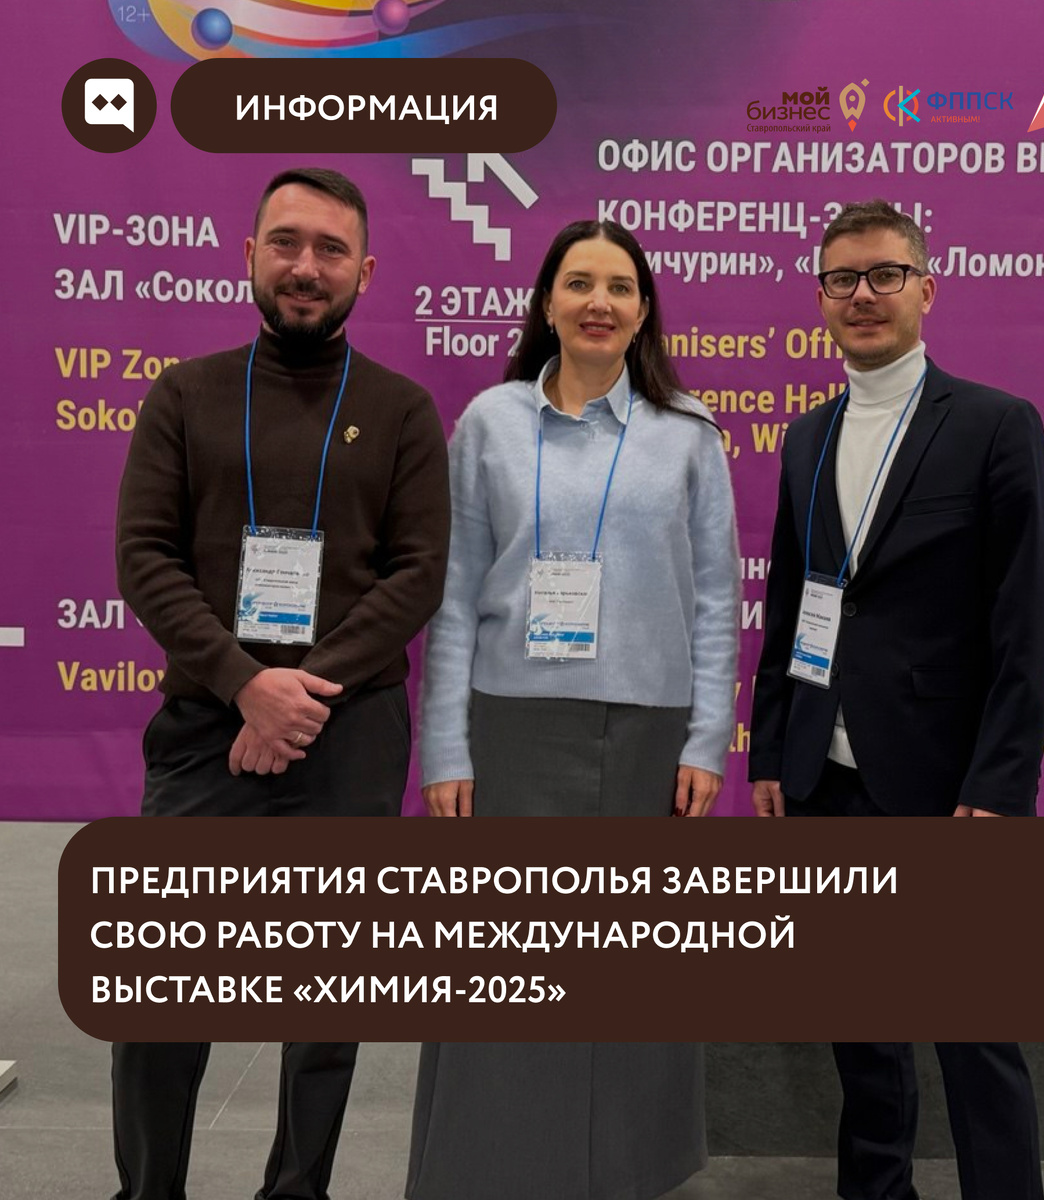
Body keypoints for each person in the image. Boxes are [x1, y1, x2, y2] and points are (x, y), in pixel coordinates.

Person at [112, 166, 450, 1200]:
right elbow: (145, 556)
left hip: (349, 735)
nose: (307, 266)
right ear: (250, 255)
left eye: (330, 249)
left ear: (365, 271)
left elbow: (416, 574)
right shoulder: (184, 394)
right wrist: (244, 685)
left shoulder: (401, 410)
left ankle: (297, 1190)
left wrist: (298, 692)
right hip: (205, 727)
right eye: (288, 243)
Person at [406, 219, 741, 1199]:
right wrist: (445, 748)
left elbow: (715, 598)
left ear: (643, 311)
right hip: (511, 729)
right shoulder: (488, 423)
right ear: (546, 302)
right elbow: (455, 593)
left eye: (620, 287)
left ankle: (626, 1172)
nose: (600, 302)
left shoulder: (688, 434)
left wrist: (706, 741)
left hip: (647, 735)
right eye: (579, 282)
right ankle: (493, 1171)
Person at [749, 199, 1044, 1200]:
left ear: (926, 289)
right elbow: (793, 601)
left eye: (884, 274)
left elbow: (1025, 625)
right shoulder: (807, 437)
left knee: (975, 1033)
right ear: (820, 299)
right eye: (842, 278)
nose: (863, 295)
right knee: (861, 1026)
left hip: (944, 786)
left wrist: (999, 788)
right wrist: (771, 752)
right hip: (825, 776)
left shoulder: (994, 424)